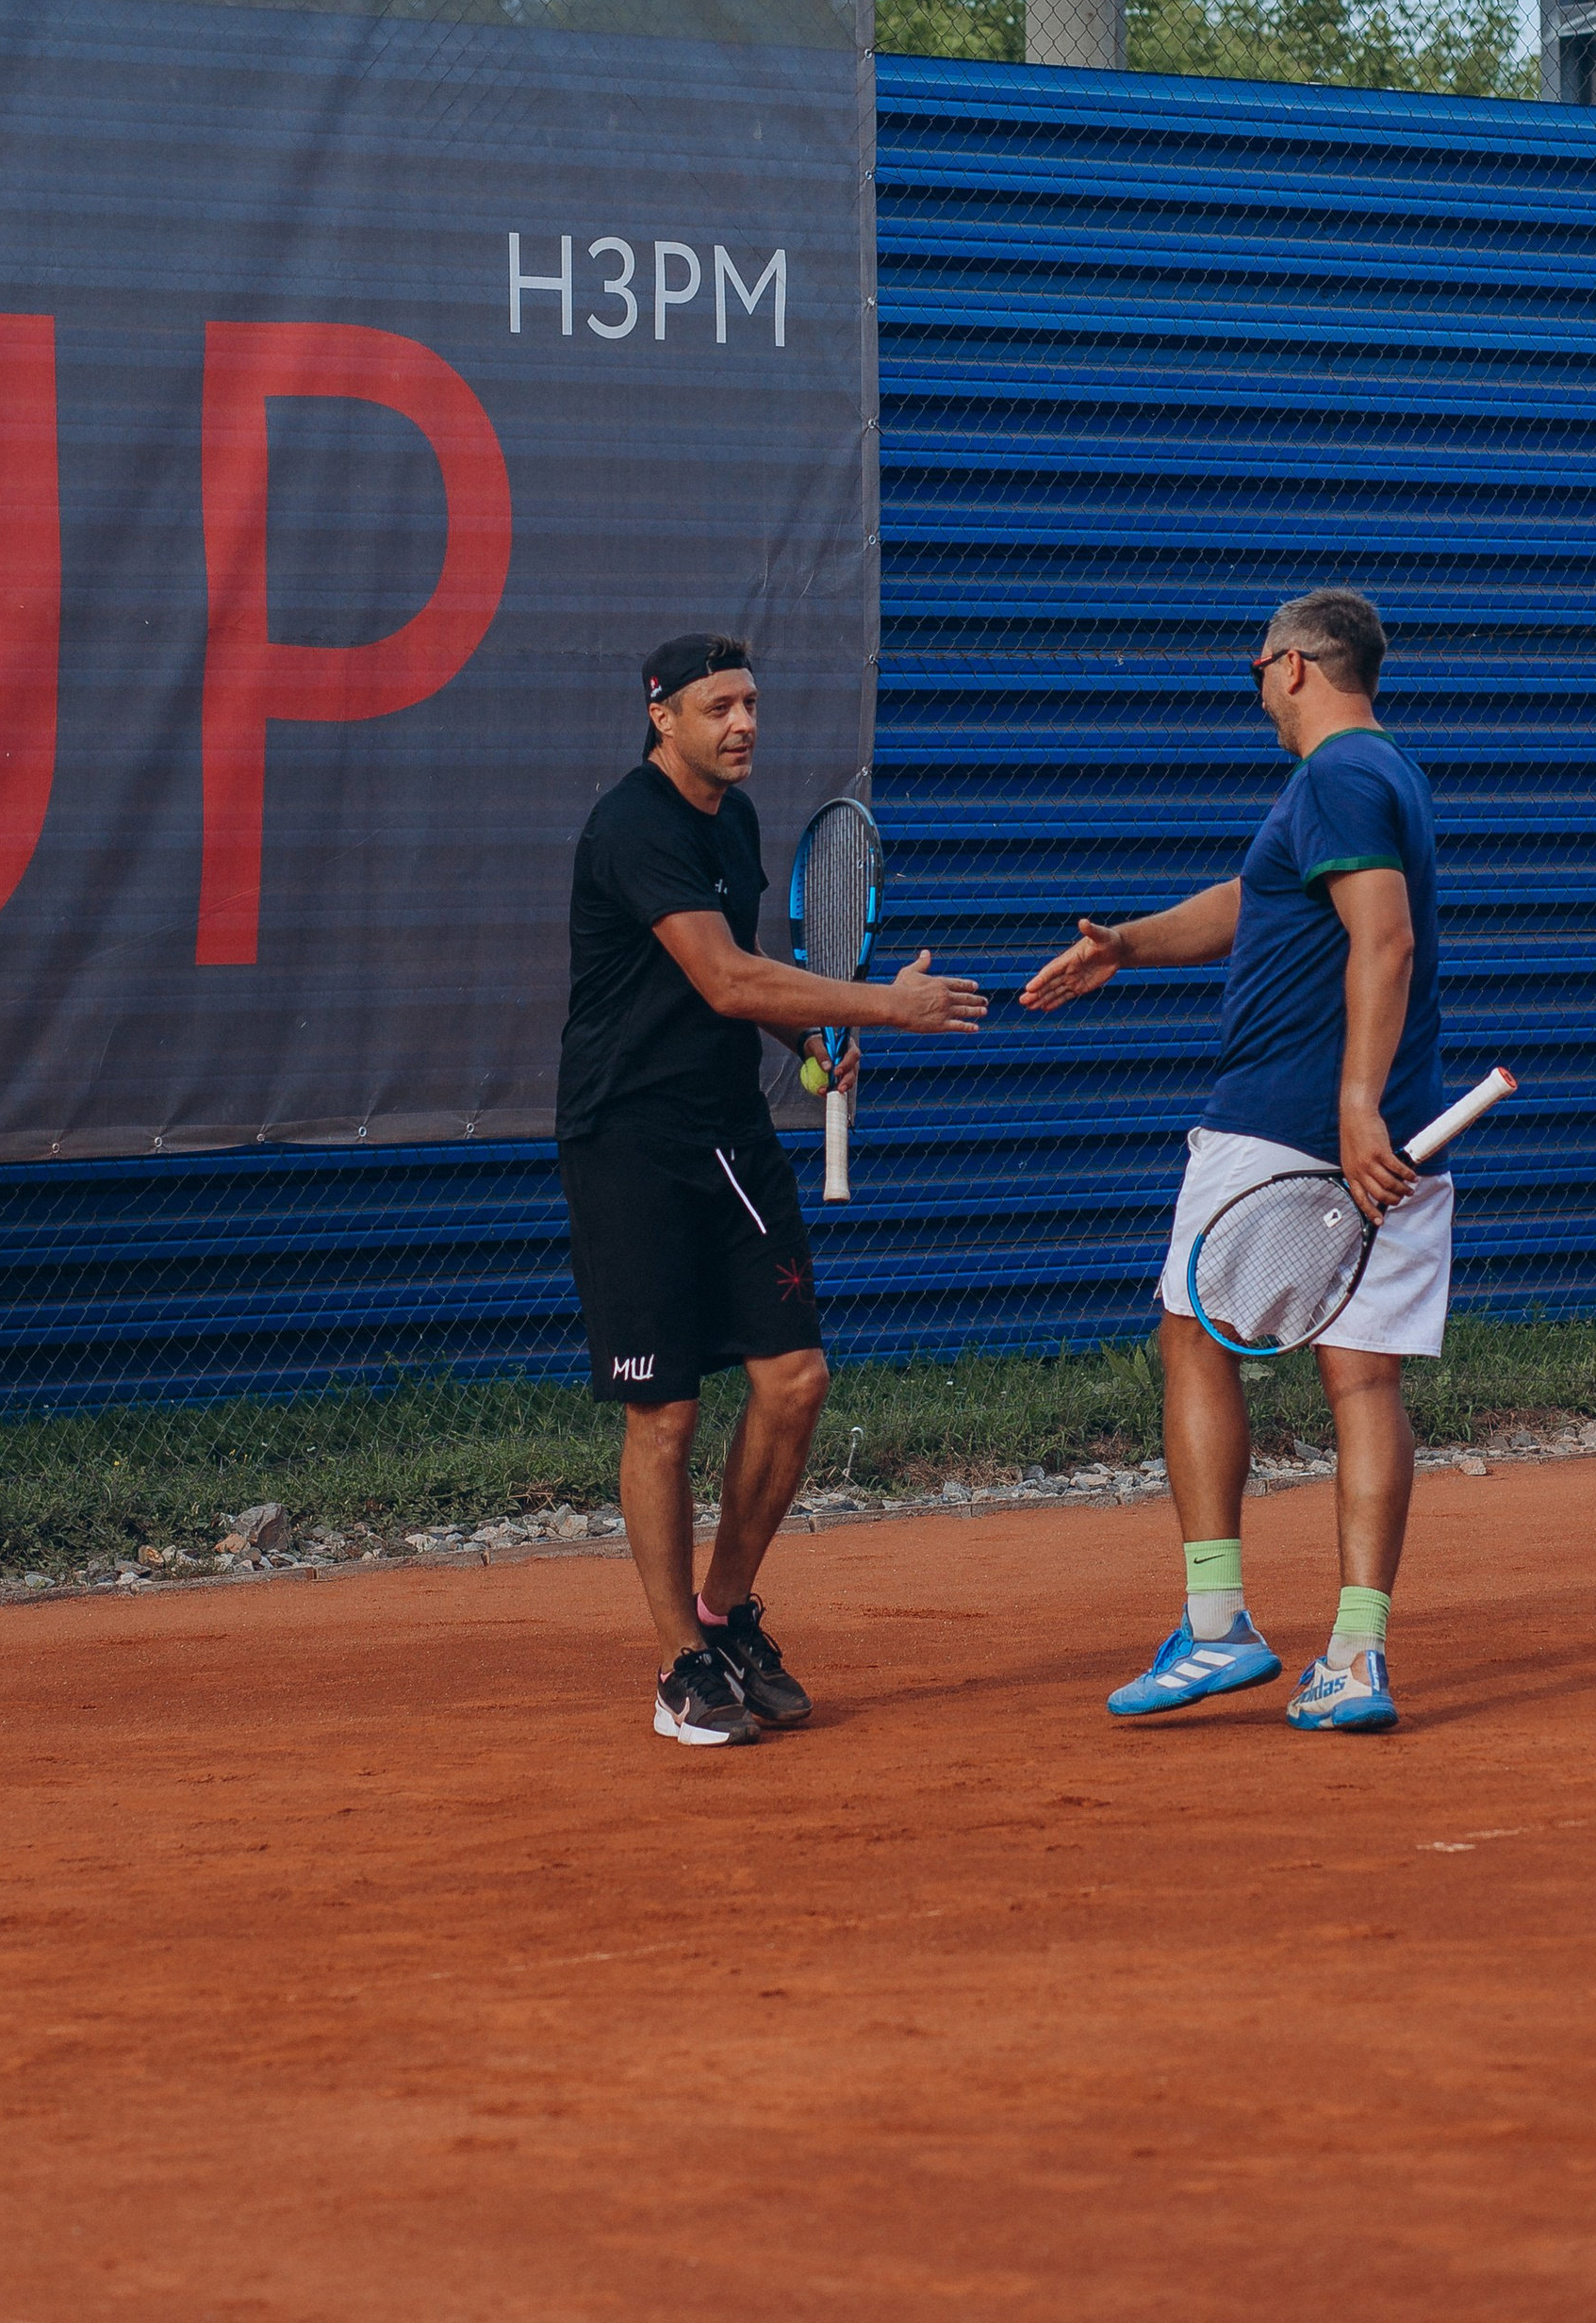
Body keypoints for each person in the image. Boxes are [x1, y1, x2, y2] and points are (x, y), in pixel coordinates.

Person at [1020, 587, 1443, 1735]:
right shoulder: (1370, 776)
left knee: (1189, 1338)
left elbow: (1385, 939)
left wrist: (1349, 1103)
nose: (1255, 684)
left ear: (1297, 665)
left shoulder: (1340, 777)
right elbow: (1257, 904)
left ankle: (1216, 1628)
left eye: (1258, 665)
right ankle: (1355, 1656)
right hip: (1383, 1132)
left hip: (1285, 1122)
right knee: (1362, 1382)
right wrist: (1128, 944)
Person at [557, 631, 988, 1748]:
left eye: (750, 702)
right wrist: (876, 1009)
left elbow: (744, 987)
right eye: (717, 706)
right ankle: (680, 1667)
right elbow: (720, 972)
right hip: (630, 1143)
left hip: (727, 1133)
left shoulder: (735, 821)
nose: (742, 723)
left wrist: (811, 1033)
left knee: (793, 1380)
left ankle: (723, 1611)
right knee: (665, 1413)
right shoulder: (631, 827)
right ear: (664, 717)